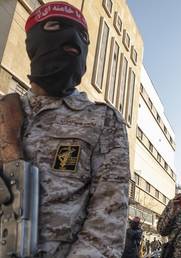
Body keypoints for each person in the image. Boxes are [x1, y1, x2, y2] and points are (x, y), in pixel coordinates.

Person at [10, 2, 130, 257]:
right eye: (56, 27)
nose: (73, 42)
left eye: (83, 38)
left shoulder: (103, 120)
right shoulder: (5, 113)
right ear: (33, 43)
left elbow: (107, 224)